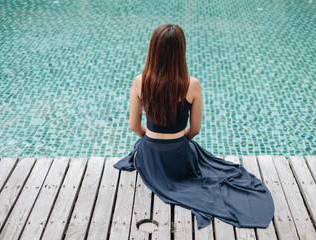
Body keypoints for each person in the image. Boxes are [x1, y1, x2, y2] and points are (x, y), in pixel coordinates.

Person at [114, 24, 274, 229]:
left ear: (153, 50)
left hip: (150, 155)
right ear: (181, 51)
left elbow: (134, 126)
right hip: (179, 154)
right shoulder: (192, 84)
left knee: (142, 145)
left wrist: (151, 140)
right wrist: (179, 142)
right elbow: (195, 129)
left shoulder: (140, 81)